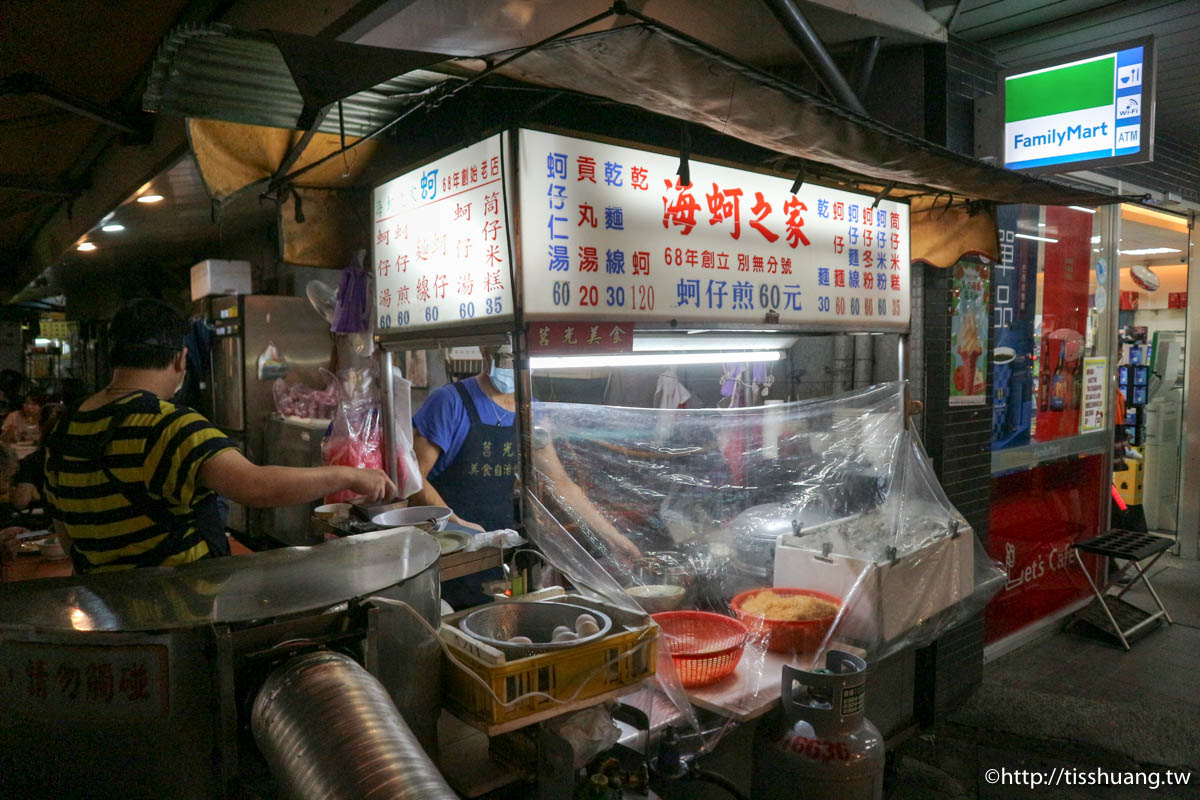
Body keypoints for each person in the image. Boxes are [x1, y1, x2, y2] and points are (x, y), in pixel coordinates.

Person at [45, 299, 396, 574]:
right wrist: (351, 475)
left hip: (105, 611)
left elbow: (64, 531)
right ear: (181, 360)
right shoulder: (170, 425)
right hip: (179, 613)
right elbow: (256, 486)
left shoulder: (65, 427)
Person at [409, 343, 638, 608]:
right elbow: (413, 481)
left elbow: (561, 483)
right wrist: (459, 526)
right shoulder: (450, 402)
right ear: (485, 352)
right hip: (451, 553)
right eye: (506, 358)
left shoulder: (532, 410)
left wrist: (613, 536)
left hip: (504, 549)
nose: (511, 367)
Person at [10, 402, 66, 509]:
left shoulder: (31, 462)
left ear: (39, 426)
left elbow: (21, 502)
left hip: (45, 519)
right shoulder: (80, 459)